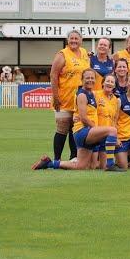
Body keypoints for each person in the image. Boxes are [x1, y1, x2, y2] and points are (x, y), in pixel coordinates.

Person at [33, 69, 119, 171]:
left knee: (81, 166)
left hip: (85, 132)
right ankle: (110, 165)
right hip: (83, 131)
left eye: (92, 78)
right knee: (112, 131)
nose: (90, 80)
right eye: (87, 78)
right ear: (82, 79)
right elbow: (83, 118)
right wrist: (97, 129)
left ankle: (49, 163)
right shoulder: (82, 94)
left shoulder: (91, 93)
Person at [49, 30, 90, 167]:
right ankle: (57, 159)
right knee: (62, 128)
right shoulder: (62, 54)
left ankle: (74, 157)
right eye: (71, 38)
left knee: (76, 128)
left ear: (81, 40)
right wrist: (55, 96)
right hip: (64, 98)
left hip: (79, 99)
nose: (74, 41)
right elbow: (53, 75)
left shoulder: (84, 53)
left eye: (76, 38)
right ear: (67, 40)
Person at [91, 73, 121, 171]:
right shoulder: (95, 94)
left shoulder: (116, 100)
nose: (109, 83)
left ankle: (110, 164)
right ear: (103, 83)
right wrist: (77, 116)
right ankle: (74, 161)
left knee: (104, 167)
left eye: (112, 82)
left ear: (115, 85)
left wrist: (116, 137)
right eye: (107, 81)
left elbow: (115, 120)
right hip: (95, 133)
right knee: (91, 167)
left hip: (107, 137)